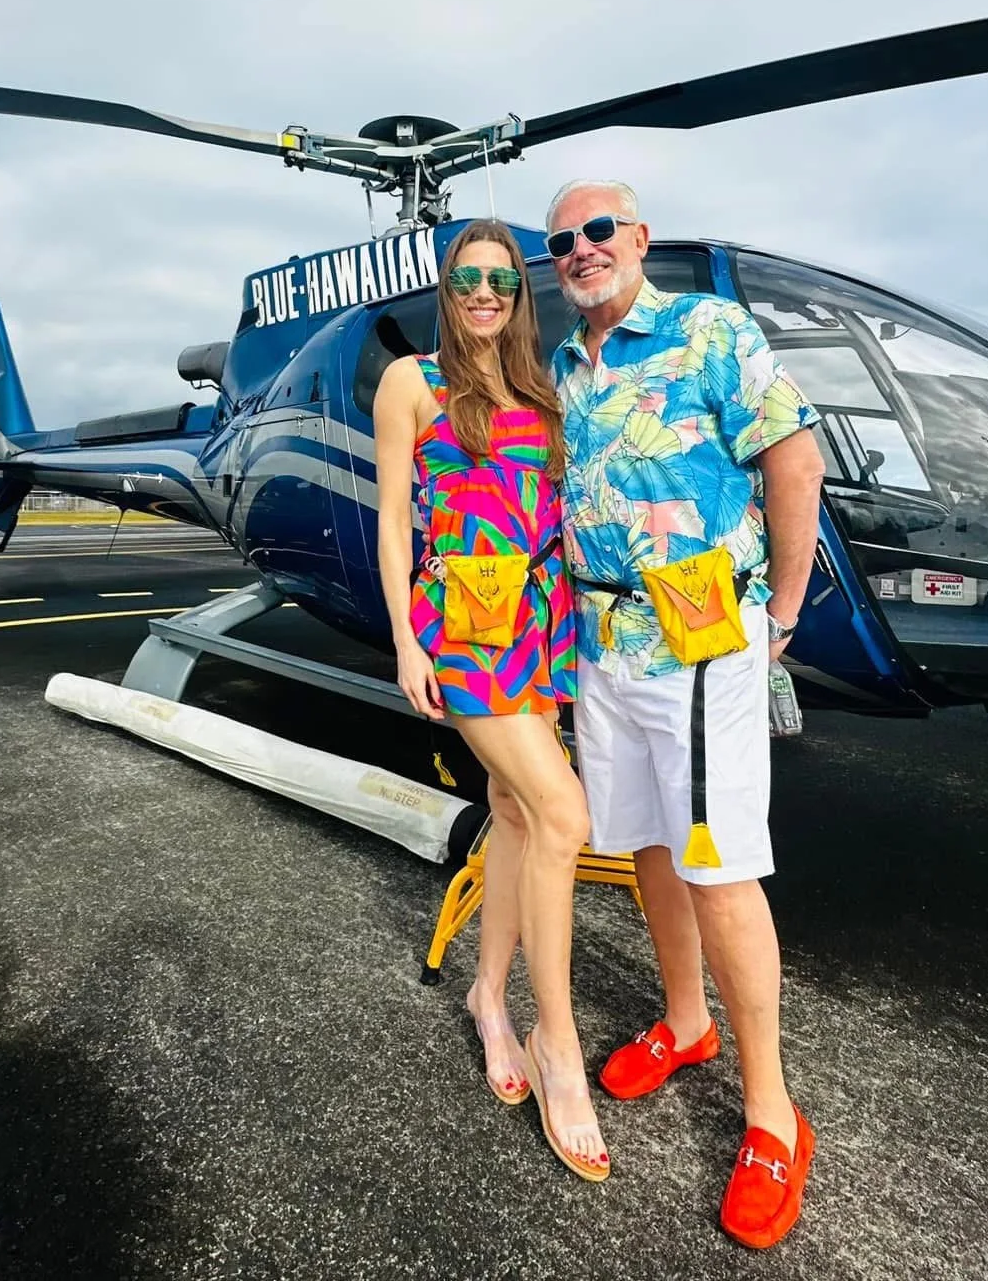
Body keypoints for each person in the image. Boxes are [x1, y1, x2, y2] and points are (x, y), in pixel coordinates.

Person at [546, 179, 825, 1247]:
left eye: (598, 230)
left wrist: (782, 612)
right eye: (562, 241)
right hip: (603, 642)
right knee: (651, 846)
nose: (581, 250)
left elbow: (793, 460)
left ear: (638, 238)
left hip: (700, 638)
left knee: (717, 862)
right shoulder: (566, 366)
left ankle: (772, 1117)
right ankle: (684, 1020)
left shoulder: (709, 328)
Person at [373, 218, 608, 1182]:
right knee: (565, 815)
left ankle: (488, 997)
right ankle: (560, 1043)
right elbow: (394, 519)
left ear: (520, 295)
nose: (483, 294)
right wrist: (405, 637)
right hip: (464, 627)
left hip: (540, 626)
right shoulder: (413, 382)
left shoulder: (539, 389)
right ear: (447, 289)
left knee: (514, 812)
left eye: (501, 282)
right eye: (468, 279)